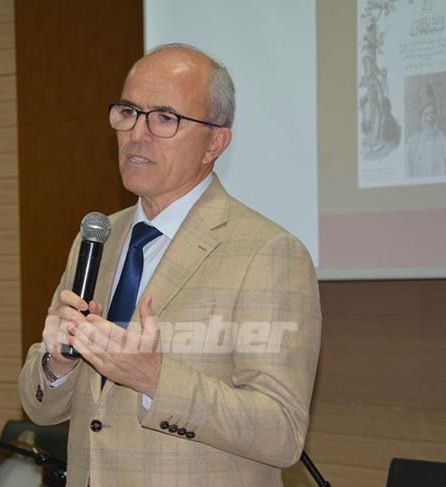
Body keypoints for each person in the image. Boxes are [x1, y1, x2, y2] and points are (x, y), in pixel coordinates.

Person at [18, 43, 321, 486]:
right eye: (128, 112)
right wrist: (58, 364)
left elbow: (282, 431)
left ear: (215, 142)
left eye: (164, 118)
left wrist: (156, 380)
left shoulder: (268, 252)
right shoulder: (96, 239)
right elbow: (41, 407)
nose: (137, 134)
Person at [406, 83, 446, 178]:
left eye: (432, 113)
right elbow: (407, 173)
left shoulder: (443, 141)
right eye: (426, 114)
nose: (430, 118)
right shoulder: (412, 143)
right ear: (420, 117)